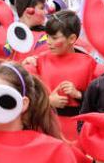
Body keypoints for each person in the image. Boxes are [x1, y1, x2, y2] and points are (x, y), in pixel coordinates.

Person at [23, 11, 97, 140]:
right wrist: (48, 101)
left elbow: (97, 99)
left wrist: (79, 95)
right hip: (48, 125)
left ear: (72, 39)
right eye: (48, 36)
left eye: (55, 38)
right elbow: (27, 95)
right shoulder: (40, 60)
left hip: (77, 129)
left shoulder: (89, 63)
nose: (49, 42)